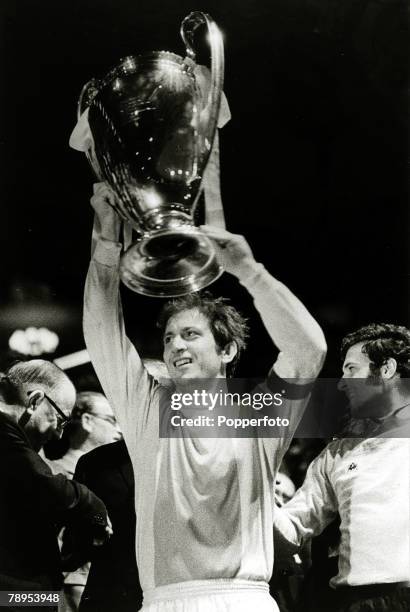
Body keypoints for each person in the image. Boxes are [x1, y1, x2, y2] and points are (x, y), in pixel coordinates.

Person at [83, 182, 327, 611]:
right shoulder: (147, 409)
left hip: (243, 600)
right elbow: (102, 332)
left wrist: (251, 272)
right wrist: (105, 239)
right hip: (165, 601)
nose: (175, 346)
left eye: (190, 334)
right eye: (170, 338)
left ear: (227, 350)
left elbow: (309, 352)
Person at [274, 323, 410, 612]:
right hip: (356, 603)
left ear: (386, 369)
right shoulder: (336, 454)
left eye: (351, 369)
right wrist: (254, 489)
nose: (341, 382)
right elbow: (293, 527)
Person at [0, 359, 111, 604]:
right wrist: (91, 505)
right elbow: (47, 486)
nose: (59, 433)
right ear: (35, 401)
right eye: (60, 419)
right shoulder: (5, 434)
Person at [45, 391, 121, 612]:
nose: (119, 429)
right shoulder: (51, 473)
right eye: (112, 419)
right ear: (87, 420)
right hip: (71, 584)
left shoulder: (111, 475)